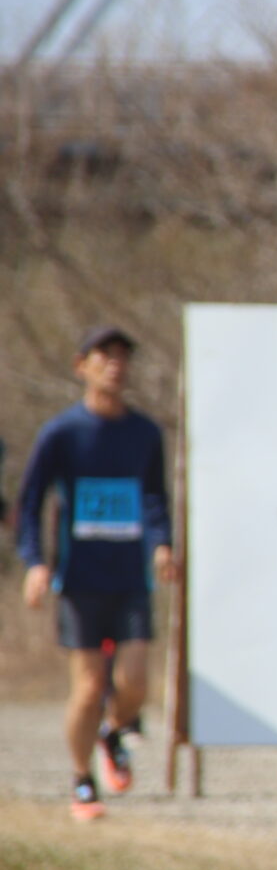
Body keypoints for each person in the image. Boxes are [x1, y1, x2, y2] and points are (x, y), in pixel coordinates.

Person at [15, 325, 178, 821]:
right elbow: (30, 503)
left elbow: (154, 497)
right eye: (104, 356)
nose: (115, 365)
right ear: (81, 365)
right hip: (80, 580)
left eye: (123, 356)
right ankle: (82, 780)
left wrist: (162, 544)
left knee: (135, 683)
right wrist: (35, 562)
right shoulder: (62, 433)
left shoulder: (144, 433)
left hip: (130, 578)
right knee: (88, 687)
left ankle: (113, 731)